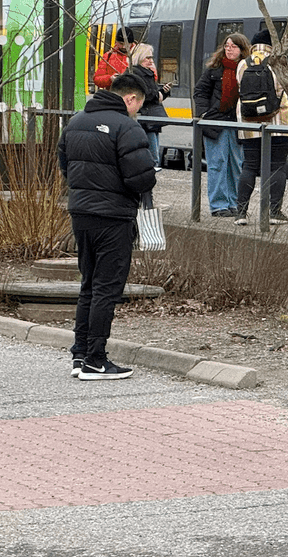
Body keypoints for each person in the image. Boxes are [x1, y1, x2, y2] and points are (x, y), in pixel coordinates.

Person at [58, 73, 158, 381]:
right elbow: (141, 178)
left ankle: (80, 354)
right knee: (106, 288)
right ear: (130, 99)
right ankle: (96, 360)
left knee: (88, 284)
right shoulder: (127, 127)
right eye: (138, 106)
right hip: (114, 217)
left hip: (80, 213)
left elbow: (64, 165)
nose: (137, 112)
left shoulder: (74, 122)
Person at [235, 28, 288, 225]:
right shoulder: (279, 62)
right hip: (279, 122)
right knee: (277, 166)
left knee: (249, 166)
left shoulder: (243, 63)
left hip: (249, 122)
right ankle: (275, 212)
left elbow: (239, 89)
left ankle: (241, 213)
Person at [194, 33, 250, 218]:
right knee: (217, 163)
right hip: (215, 123)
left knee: (236, 165)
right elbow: (200, 92)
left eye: (233, 46)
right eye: (227, 46)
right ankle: (218, 205)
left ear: (242, 49)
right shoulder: (214, 70)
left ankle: (233, 203)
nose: (229, 49)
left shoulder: (247, 70)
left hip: (237, 124)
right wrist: (204, 113)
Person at [127, 42, 171, 170]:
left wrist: (163, 92)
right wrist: (158, 94)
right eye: (148, 58)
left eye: (151, 57)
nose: (151, 60)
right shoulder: (137, 74)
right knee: (153, 156)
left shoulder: (146, 73)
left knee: (154, 153)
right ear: (140, 57)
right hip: (146, 118)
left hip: (150, 118)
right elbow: (144, 94)